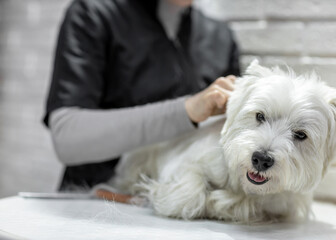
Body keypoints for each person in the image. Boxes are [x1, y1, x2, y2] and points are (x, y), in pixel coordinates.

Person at [43, 0, 241, 191]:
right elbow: (68, 137)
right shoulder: (93, 13)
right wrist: (187, 111)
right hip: (93, 200)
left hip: (179, 207)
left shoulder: (220, 37)